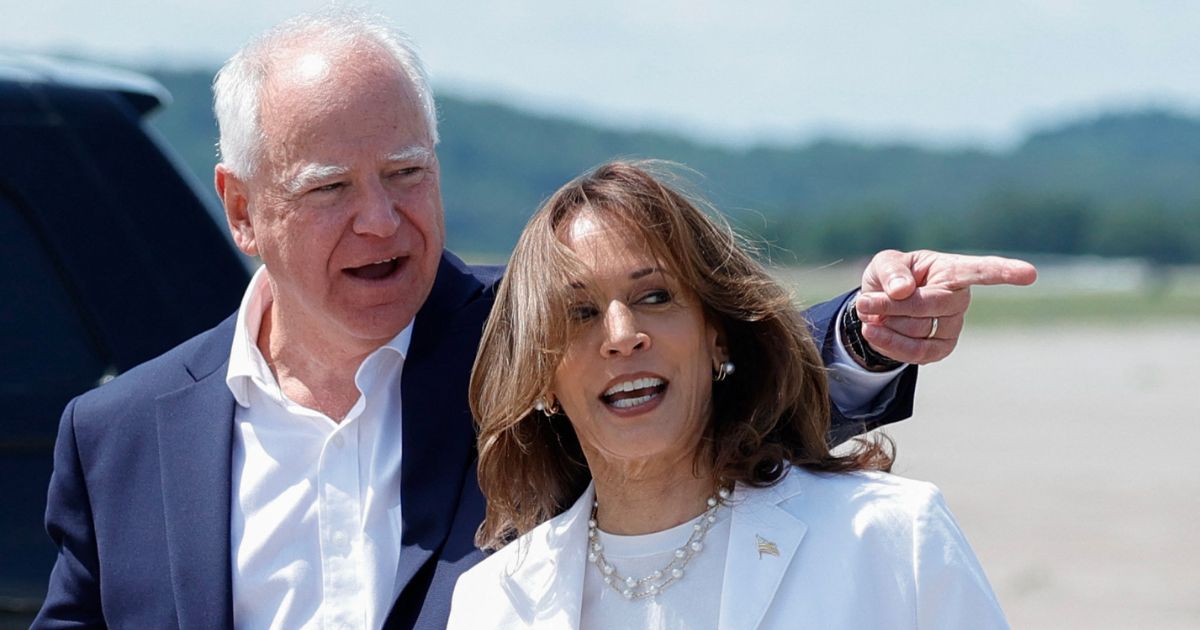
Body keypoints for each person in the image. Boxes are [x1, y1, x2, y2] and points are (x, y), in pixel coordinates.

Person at [33, 9, 1032, 630]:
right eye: (332, 186)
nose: (381, 219)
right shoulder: (124, 436)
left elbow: (685, 355)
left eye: (408, 174)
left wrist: (867, 330)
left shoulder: (532, 333)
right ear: (242, 208)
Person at [448, 161, 1012, 628]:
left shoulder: (891, 537)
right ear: (542, 376)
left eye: (654, 297)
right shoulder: (492, 603)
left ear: (717, 336)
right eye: (579, 312)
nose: (622, 336)